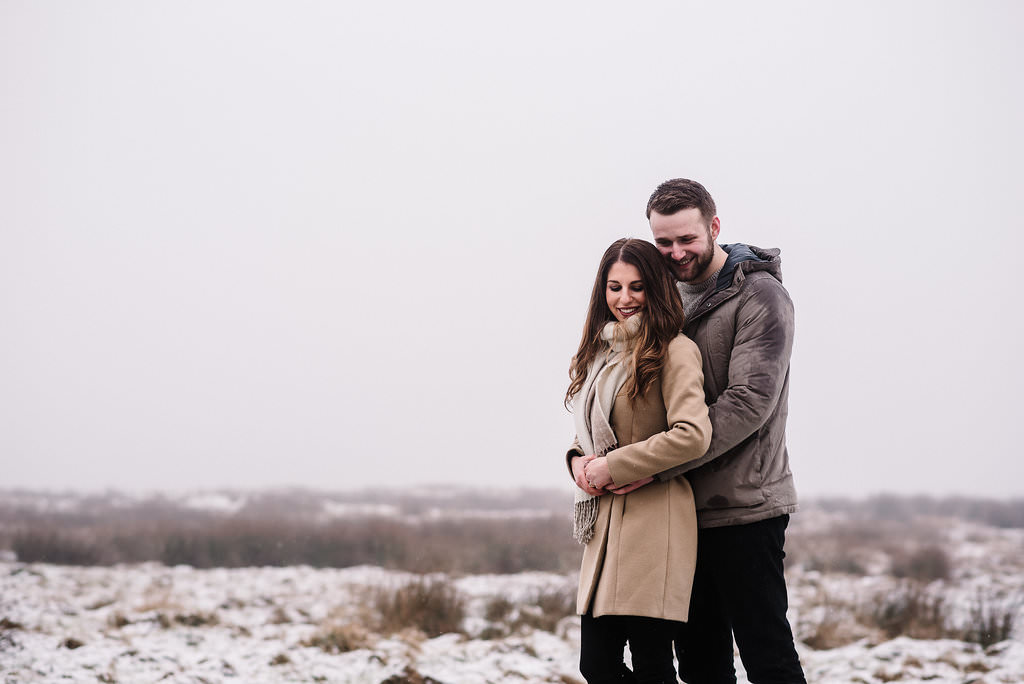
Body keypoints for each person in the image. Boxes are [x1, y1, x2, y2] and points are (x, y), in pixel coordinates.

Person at [643, 178, 806, 684]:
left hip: (745, 508)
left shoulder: (761, 295)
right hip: (678, 510)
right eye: (663, 242)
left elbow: (749, 402)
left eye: (686, 239)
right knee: (699, 663)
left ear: (714, 227)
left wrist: (652, 465)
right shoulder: (659, 298)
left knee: (767, 657)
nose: (675, 252)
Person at [565, 238, 712, 684]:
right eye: (614, 287)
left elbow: (693, 434)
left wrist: (615, 466)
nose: (624, 299)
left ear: (657, 289)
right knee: (597, 665)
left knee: (652, 667)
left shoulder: (675, 349)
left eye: (637, 287)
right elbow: (585, 433)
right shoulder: (601, 354)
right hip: (603, 530)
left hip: (654, 526)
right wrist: (576, 463)